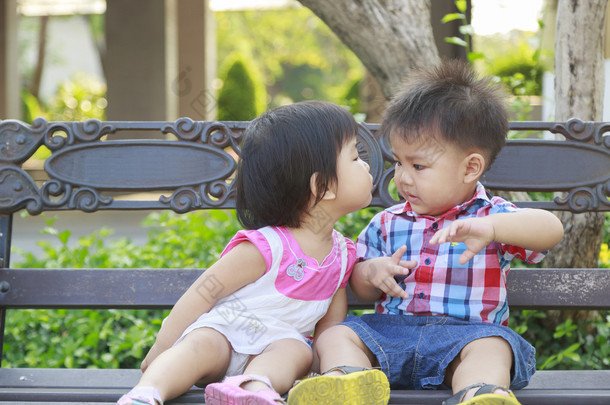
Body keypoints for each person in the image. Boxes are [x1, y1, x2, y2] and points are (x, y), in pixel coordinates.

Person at [287, 60, 564, 405]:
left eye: (418, 166)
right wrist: (371, 272)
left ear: (470, 168)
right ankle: (347, 383)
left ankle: (480, 394)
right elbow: (359, 285)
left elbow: (551, 230)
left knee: (492, 346)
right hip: (389, 337)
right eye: (399, 163)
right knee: (336, 335)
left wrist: (491, 228)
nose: (402, 177)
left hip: (464, 336)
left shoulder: (491, 217)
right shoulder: (387, 221)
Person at [116, 100, 384, 405]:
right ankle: (147, 393)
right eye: (354, 157)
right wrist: (161, 347)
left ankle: (253, 390)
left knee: (296, 350)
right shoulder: (269, 246)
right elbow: (205, 291)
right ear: (322, 185)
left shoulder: (343, 257)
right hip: (226, 334)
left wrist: (324, 374)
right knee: (200, 343)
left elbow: (328, 330)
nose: (365, 165)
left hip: (274, 348)